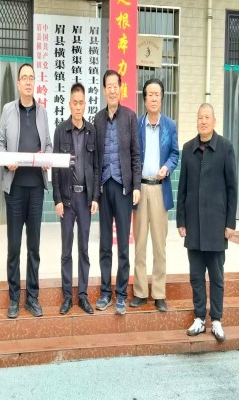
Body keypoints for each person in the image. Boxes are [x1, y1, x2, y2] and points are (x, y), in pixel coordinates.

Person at [176, 103, 237, 342]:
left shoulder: (225, 148)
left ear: (214, 121)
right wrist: (181, 220)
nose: (203, 121)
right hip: (194, 225)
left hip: (216, 225)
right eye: (200, 117)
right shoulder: (188, 149)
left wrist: (230, 223)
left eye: (207, 117)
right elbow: (182, 188)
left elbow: (232, 189)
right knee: (196, 275)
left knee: (217, 277)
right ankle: (199, 317)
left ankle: (217, 319)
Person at [0, 63, 53, 319]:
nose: (28, 82)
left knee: (34, 246)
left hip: (36, 189)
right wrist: (7, 159)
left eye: (31, 78)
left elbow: (48, 145)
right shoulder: (8, 110)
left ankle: (32, 297)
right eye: (24, 78)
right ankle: (13, 298)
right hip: (15, 188)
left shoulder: (42, 112)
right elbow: (0, 142)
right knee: (14, 246)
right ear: (18, 84)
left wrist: (46, 158)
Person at [94, 70, 141, 315]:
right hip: (104, 188)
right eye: (108, 86)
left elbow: (135, 154)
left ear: (120, 89)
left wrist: (136, 186)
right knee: (105, 244)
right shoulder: (98, 119)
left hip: (123, 189)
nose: (112, 90)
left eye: (116, 86)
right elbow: (94, 159)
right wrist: (94, 193)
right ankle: (105, 292)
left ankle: (121, 294)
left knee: (123, 244)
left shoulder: (130, 117)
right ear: (104, 90)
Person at [130, 79, 179, 312]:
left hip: (160, 188)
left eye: (157, 94)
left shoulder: (169, 125)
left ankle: (159, 293)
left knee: (159, 245)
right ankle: (140, 291)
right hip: (140, 189)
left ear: (162, 98)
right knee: (140, 244)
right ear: (144, 99)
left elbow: (175, 153)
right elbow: (131, 154)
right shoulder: (136, 124)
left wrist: (167, 167)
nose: (153, 98)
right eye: (149, 94)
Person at [52, 83, 99, 315]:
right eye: (75, 103)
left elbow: (96, 167)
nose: (78, 107)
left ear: (85, 104)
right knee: (66, 249)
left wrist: (95, 197)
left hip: (86, 199)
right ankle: (67, 297)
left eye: (81, 103)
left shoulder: (92, 131)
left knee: (84, 248)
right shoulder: (61, 130)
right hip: (67, 198)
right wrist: (57, 199)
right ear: (69, 104)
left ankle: (82, 295)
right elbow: (55, 167)